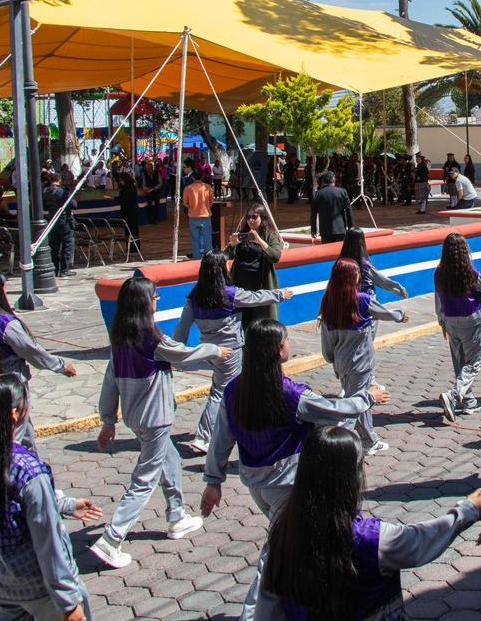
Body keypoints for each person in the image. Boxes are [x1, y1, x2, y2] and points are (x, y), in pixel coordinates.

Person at [201, 320, 391, 620]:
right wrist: (368, 397)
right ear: (278, 351)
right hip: (286, 485)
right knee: (277, 550)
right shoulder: (290, 393)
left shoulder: (235, 389)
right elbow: (335, 410)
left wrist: (214, 480)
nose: (289, 345)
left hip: (256, 484)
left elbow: (220, 439)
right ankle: (254, 613)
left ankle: (299, 599)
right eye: (286, 341)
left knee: (299, 541)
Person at [256, 426, 481, 619]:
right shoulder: (370, 539)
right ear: (351, 478)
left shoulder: (283, 533)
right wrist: (467, 510)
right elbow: (421, 540)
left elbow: (268, 603)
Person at [91, 277, 231, 569]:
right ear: (144, 302)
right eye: (154, 295)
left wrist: (108, 421)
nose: (158, 299)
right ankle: (112, 538)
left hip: (136, 419)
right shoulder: (152, 340)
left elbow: (109, 384)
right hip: (156, 418)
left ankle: (177, 516)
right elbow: (184, 354)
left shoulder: (120, 340)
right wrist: (215, 350)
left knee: (171, 461)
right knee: (144, 480)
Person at [0, 374, 101, 621]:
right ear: (14, 415)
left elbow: (9, 506)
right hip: (39, 588)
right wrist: (68, 601)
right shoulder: (29, 470)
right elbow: (48, 542)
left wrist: (65, 505)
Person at [173, 250, 293, 454]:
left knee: (239, 386)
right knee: (220, 392)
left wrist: (177, 352)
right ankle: (204, 437)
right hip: (230, 352)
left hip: (207, 350)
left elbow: (182, 327)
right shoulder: (229, 294)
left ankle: (244, 423)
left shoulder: (195, 295)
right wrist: (280, 294)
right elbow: (256, 297)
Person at [0, 269, 79, 446]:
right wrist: (60, 366)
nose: (6, 290)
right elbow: (32, 351)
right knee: (11, 438)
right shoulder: (5, 324)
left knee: (23, 432)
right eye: (4, 287)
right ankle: (16, 462)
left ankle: (31, 460)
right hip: (11, 388)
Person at [319, 259, 409, 455]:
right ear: (353, 278)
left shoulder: (328, 301)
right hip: (361, 363)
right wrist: (400, 315)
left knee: (361, 400)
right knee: (354, 406)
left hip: (342, 362)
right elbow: (384, 312)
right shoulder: (361, 299)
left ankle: (369, 440)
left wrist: (332, 360)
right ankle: (336, 444)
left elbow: (327, 340)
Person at [433, 233, 481, 422]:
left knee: (460, 362)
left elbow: (438, 299)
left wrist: (441, 320)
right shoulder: (469, 272)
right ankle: (453, 395)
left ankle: (468, 401)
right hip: (472, 320)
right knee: (473, 363)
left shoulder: (439, 273)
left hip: (451, 320)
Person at [227, 205, 285, 326]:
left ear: (262, 218)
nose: (251, 220)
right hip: (241, 288)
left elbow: (275, 256)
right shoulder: (242, 235)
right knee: (242, 322)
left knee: (262, 323)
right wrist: (232, 244)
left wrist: (259, 241)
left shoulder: (270, 236)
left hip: (261, 286)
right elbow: (227, 256)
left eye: (254, 217)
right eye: (248, 217)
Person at [339, 227, 408, 300]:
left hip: (347, 301)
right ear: (361, 242)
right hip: (367, 302)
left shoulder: (340, 263)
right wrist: (399, 288)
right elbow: (382, 281)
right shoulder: (363, 265)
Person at [41, 173, 77, 277]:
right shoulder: (60, 192)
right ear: (59, 180)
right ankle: (65, 269)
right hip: (63, 219)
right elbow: (73, 204)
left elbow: (44, 206)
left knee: (54, 245)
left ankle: (55, 268)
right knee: (67, 243)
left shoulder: (45, 191)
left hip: (52, 219)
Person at [309, 171, 353, 243]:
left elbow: (313, 214)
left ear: (323, 181)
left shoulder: (317, 194)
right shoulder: (342, 192)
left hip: (325, 230)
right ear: (334, 179)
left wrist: (313, 230)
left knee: (327, 249)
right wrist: (351, 228)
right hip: (340, 229)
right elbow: (349, 212)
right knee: (340, 249)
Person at [183, 172, 215, 260]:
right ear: (202, 176)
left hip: (193, 217)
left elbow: (185, 203)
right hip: (205, 216)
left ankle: (197, 258)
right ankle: (209, 258)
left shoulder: (187, 188)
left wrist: (192, 207)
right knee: (207, 238)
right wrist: (207, 206)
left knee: (195, 239)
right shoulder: (207, 187)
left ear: (193, 177)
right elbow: (212, 200)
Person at [115, 172, 141, 251]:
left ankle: (132, 247)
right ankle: (134, 247)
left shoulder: (127, 187)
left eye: (121, 180)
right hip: (132, 210)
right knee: (133, 230)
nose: (120, 182)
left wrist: (115, 199)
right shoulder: (132, 186)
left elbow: (124, 199)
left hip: (129, 211)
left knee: (130, 230)